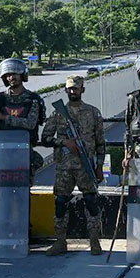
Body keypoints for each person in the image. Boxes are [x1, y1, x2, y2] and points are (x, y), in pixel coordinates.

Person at [41, 75, 106, 255]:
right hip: (64, 167)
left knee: (92, 202)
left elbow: (101, 142)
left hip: (86, 167)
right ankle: (60, 242)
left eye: (76, 88)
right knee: (61, 203)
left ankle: (95, 241)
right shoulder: (58, 113)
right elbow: (45, 139)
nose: (72, 91)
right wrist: (64, 142)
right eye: (70, 88)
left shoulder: (92, 112)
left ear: (82, 90)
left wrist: (99, 166)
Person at [0, 58, 45, 181]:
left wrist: (4, 117)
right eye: (8, 75)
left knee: (23, 195)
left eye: (15, 74)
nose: (11, 78)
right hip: (2, 154)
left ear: (22, 75)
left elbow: (30, 124)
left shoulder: (32, 99)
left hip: (24, 154)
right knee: (3, 195)